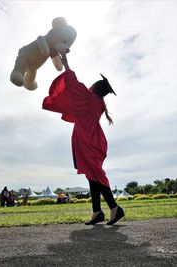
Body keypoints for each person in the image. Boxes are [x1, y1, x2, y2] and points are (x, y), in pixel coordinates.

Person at [42, 51, 124, 225]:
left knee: (96, 174)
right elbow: (78, 89)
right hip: (92, 138)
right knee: (92, 175)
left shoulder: (89, 99)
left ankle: (115, 208)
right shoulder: (99, 103)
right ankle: (97, 212)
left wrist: (66, 63)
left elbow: (73, 84)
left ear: (94, 88)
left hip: (88, 139)